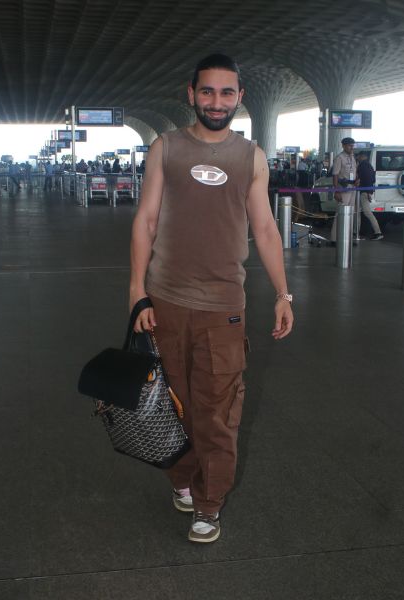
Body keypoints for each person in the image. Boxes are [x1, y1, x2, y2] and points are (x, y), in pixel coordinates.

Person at [129, 53, 294, 544]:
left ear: (239, 97)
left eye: (226, 93)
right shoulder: (166, 148)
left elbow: (265, 229)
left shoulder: (252, 157)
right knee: (172, 405)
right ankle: (182, 479)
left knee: (218, 414)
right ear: (191, 94)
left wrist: (283, 293)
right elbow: (146, 220)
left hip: (224, 309)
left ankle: (209, 503)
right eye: (207, 91)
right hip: (166, 302)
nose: (216, 102)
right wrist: (137, 292)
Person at [330, 137, 358, 245]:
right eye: (350, 145)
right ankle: (334, 239)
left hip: (352, 187)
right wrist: (336, 191)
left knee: (350, 214)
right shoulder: (339, 158)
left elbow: (354, 172)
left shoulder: (353, 157)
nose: (352, 147)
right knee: (340, 213)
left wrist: (357, 180)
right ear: (343, 146)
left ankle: (348, 239)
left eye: (352, 145)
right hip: (343, 188)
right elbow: (335, 175)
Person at [355, 152, 384, 240]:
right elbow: (373, 179)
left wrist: (368, 192)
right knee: (358, 212)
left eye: (358, 156)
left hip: (363, 191)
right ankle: (356, 232)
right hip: (365, 191)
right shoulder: (369, 166)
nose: (357, 158)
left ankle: (378, 232)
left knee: (366, 212)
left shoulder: (363, 166)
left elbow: (367, 179)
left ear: (363, 156)